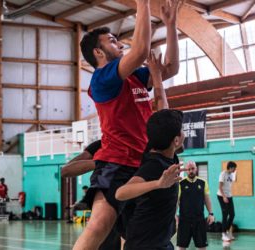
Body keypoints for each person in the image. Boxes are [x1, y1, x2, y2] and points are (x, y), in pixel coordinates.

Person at [74, 0, 181, 248]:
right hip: (117, 162)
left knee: (132, 233)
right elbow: (141, 50)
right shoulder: (102, 79)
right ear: (98, 53)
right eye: (112, 41)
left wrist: (171, 24)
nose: (119, 43)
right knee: (100, 224)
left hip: (143, 162)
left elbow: (171, 68)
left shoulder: (135, 77)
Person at [116, 109, 185, 250]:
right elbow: (121, 193)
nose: (185, 133)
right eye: (182, 130)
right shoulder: (154, 166)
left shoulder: (167, 154)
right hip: (144, 244)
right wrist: (158, 184)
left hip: (160, 242)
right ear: (176, 140)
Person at [177, 161, 215, 250]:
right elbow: (176, 201)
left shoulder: (203, 182)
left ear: (196, 169)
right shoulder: (180, 183)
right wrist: (174, 215)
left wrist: (211, 213)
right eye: (189, 169)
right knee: (181, 247)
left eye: (193, 168)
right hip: (184, 220)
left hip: (199, 220)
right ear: (186, 170)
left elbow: (207, 199)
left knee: (202, 246)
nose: (191, 171)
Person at [217, 161, 237, 241]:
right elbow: (220, 187)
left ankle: (228, 231)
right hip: (221, 196)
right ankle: (223, 233)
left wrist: (227, 196)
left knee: (232, 214)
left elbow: (233, 180)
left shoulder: (232, 174)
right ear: (231, 167)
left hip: (229, 196)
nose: (235, 170)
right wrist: (224, 197)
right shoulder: (223, 174)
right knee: (225, 214)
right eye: (234, 168)